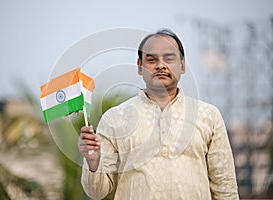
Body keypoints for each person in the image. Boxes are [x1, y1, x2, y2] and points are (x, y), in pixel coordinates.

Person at [78, 29, 239, 199]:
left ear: (182, 65)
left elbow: (225, 186)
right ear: (140, 67)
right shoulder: (115, 118)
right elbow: (97, 192)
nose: (160, 65)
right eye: (151, 59)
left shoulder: (208, 116)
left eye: (169, 58)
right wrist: (93, 161)